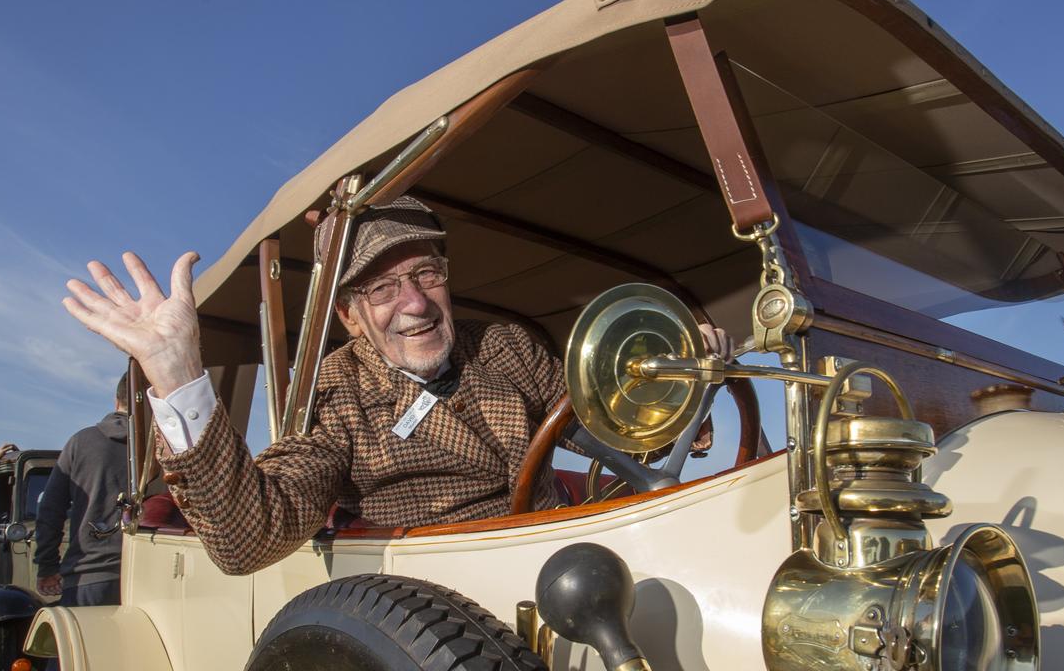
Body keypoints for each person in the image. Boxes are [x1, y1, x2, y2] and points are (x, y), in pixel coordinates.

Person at [63, 195, 733, 575]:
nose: (414, 303)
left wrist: (684, 386)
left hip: (581, 562)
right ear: (351, 318)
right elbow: (246, 539)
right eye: (382, 288)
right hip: (447, 609)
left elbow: (612, 435)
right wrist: (178, 372)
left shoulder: (502, 345)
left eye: (427, 275)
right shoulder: (335, 392)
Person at [34, 373, 130, 606]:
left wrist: (47, 565)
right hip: (159, 578)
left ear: (116, 400)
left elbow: (51, 509)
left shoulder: (81, 441)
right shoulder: (166, 447)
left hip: (90, 575)